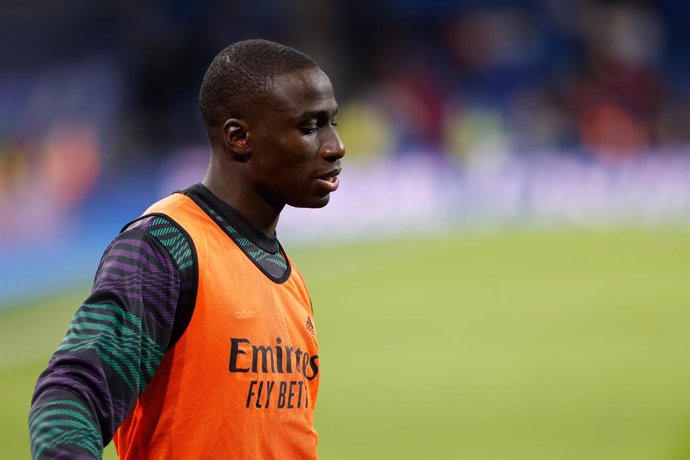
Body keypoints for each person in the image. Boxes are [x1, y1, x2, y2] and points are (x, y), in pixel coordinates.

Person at [29, 39, 345, 459]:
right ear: (238, 137)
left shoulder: (286, 274)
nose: (335, 146)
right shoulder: (166, 247)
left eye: (331, 123)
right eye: (309, 127)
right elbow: (71, 395)